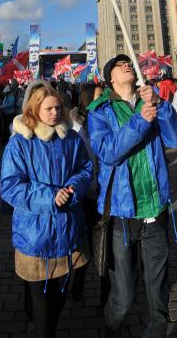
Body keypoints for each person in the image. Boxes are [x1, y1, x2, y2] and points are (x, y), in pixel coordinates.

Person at [88, 54, 177, 338]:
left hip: (155, 210)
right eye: (120, 65)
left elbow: (176, 140)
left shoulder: (151, 102)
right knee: (124, 298)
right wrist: (140, 122)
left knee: (158, 297)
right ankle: (110, 325)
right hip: (122, 216)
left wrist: (160, 105)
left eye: (129, 62)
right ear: (111, 79)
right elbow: (107, 152)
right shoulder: (100, 111)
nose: (127, 65)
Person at [1, 83, 92, 338]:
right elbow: (10, 187)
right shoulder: (19, 143)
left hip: (68, 233)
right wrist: (50, 197)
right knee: (43, 313)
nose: (54, 112)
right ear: (34, 109)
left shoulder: (70, 137)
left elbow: (85, 169)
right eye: (48, 108)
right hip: (35, 238)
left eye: (58, 107)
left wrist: (74, 187)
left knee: (59, 299)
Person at [69, 83, 104, 303]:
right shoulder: (73, 126)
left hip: (105, 192)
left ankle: (106, 291)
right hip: (83, 195)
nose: (104, 98)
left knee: (104, 245)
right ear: (88, 98)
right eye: (100, 95)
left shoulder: (107, 118)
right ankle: (78, 283)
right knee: (84, 243)